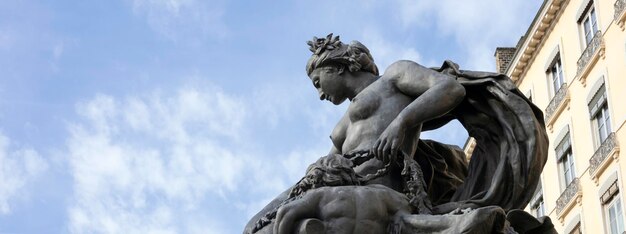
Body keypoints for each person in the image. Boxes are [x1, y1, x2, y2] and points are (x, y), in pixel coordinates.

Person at [243, 34, 549, 233]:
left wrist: (400, 123)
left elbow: (449, 88)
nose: (320, 94)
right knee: (255, 228)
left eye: (317, 81)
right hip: (344, 187)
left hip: (381, 190)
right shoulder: (340, 128)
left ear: (336, 67)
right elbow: (324, 171)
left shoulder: (394, 77)